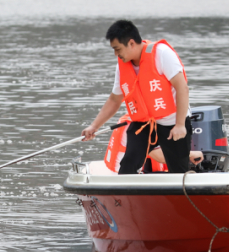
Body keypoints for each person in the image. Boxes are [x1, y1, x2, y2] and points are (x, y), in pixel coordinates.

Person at [82, 20, 202, 174]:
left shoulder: (162, 53)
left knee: (178, 171)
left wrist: (180, 125)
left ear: (131, 43)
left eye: (117, 49)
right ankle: (125, 195)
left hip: (172, 123)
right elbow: (115, 99)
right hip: (144, 124)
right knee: (129, 162)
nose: (116, 54)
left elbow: (182, 88)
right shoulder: (123, 64)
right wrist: (94, 126)